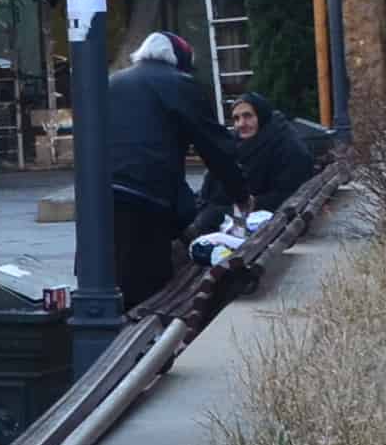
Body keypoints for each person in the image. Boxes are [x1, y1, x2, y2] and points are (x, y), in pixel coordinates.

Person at [105, 31, 249, 309]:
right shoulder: (180, 84)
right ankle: (146, 346)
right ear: (179, 61)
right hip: (147, 198)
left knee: (111, 277)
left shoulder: (113, 82)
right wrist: (240, 193)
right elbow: (214, 146)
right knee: (147, 284)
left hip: (99, 199)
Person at [189, 89, 332, 241]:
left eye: (248, 116)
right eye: (236, 119)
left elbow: (288, 194)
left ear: (262, 115)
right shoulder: (243, 142)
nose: (241, 124)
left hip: (265, 216)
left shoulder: (286, 146)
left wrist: (250, 202)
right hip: (239, 209)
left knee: (208, 218)